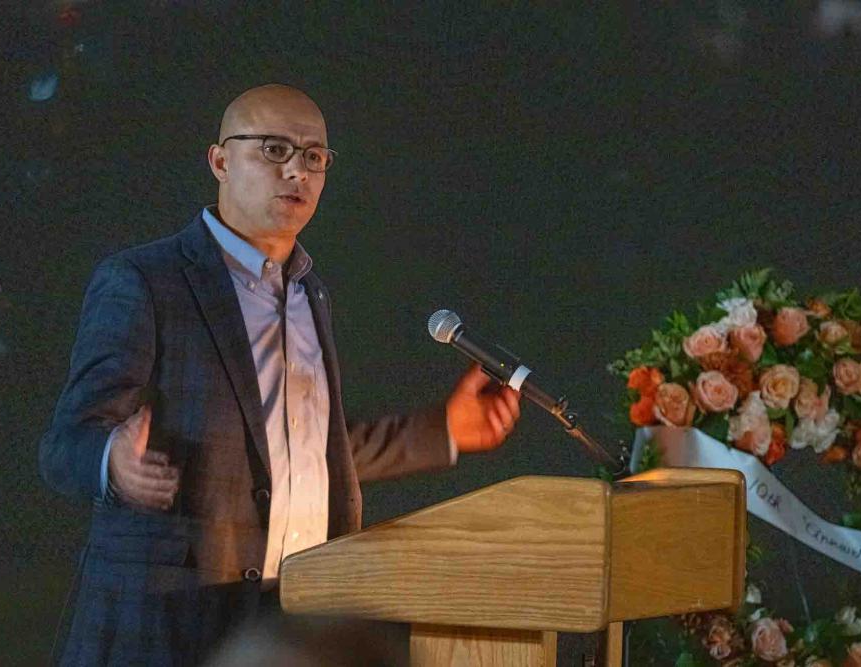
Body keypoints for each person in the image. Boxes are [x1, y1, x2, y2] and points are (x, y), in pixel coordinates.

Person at [39, 84, 521, 665]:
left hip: (294, 616)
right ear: (219, 161)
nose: (298, 170)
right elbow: (66, 443)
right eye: (273, 149)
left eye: (314, 156)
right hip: (172, 622)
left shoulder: (308, 290)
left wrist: (444, 430)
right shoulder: (145, 280)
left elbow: (302, 451)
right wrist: (112, 461)